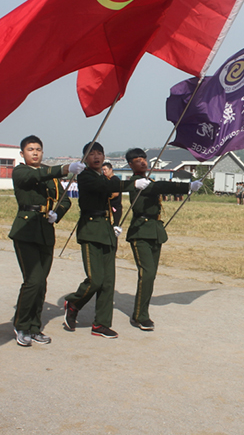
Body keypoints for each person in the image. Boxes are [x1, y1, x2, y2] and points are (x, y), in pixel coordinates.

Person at [63, 143, 150, 339]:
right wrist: (131, 184)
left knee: (108, 281)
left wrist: (116, 223)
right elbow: (105, 186)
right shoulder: (85, 176)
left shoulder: (105, 178)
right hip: (90, 229)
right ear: (84, 158)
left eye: (99, 153)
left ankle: (101, 323)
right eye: (91, 154)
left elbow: (114, 200)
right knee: (95, 279)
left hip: (106, 230)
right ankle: (74, 302)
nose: (96, 157)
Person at [8, 135, 83, 347]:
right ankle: (21, 324)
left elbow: (65, 199)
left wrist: (57, 214)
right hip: (25, 229)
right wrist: (66, 168)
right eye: (30, 149)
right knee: (33, 280)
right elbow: (38, 175)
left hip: (45, 230)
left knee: (41, 283)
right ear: (22, 153)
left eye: (38, 149)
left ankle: (34, 326)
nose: (35, 152)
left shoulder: (50, 176)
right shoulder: (20, 171)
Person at [125, 148, 202, 331]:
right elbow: (158, 187)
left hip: (154, 230)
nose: (143, 162)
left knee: (151, 276)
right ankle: (139, 316)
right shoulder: (137, 182)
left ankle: (142, 312)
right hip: (141, 231)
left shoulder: (147, 180)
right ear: (130, 165)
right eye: (137, 160)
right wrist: (186, 187)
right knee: (147, 274)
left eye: (144, 159)